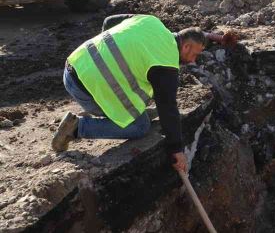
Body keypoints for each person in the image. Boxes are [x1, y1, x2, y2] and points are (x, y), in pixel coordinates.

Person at [51, 14, 207, 174]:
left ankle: (118, 108)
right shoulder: (166, 63)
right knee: (140, 126)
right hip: (86, 90)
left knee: (139, 100)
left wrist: (106, 57)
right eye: (195, 55)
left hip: (75, 64)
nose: (194, 61)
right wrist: (177, 149)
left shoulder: (151, 21)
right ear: (186, 46)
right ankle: (77, 128)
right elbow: (167, 107)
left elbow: (109, 21)